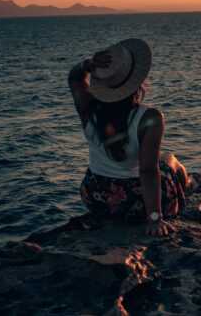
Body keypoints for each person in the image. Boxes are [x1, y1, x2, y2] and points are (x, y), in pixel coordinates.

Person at [68, 38, 188, 236]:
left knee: (162, 162)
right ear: (137, 81)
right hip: (134, 202)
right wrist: (155, 218)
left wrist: (88, 64)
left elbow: (74, 78)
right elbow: (148, 171)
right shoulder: (150, 118)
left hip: (95, 196)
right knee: (170, 162)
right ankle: (187, 192)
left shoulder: (87, 108)